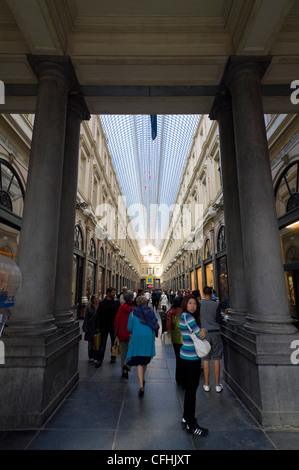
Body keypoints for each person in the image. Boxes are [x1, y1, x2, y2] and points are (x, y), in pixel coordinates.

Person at [179, 295, 208, 437]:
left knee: (189, 390)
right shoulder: (189, 318)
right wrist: (204, 331)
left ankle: (185, 417)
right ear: (185, 304)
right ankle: (192, 424)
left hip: (184, 355)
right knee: (192, 390)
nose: (193, 306)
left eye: (195, 304)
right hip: (192, 358)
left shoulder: (183, 316)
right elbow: (200, 334)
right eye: (190, 303)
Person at [126, 295, 159, 397]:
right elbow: (155, 324)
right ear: (146, 302)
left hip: (137, 337)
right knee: (144, 358)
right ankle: (143, 378)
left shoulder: (133, 313)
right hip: (148, 337)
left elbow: (129, 328)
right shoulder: (150, 312)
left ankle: (141, 385)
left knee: (139, 361)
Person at [199, 286, 224, 393]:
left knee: (206, 359)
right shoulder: (216, 304)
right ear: (212, 293)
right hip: (215, 333)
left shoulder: (199, 304)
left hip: (204, 333)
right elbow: (219, 320)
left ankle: (207, 384)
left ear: (203, 293)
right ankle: (217, 385)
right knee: (217, 358)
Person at [95, 287, 120, 368]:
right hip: (104, 326)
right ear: (108, 293)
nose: (114, 294)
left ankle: (113, 357)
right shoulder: (102, 303)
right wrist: (97, 326)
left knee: (113, 343)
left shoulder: (116, 302)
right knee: (102, 343)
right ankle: (100, 360)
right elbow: (98, 315)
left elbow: (119, 315)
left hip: (113, 326)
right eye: (113, 292)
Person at [114, 290, 135, 378]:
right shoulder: (134, 309)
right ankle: (127, 365)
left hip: (122, 332)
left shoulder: (121, 307)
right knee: (131, 351)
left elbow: (117, 319)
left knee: (123, 351)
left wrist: (115, 331)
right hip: (131, 333)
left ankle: (123, 370)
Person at [166, 296, 183, 386]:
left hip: (175, 338)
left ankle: (178, 378)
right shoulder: (184, 312)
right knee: (185, 359)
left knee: (178, 358)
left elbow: (168, 326)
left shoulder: (171, 312)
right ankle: (184, 378)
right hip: (185, 338)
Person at [82, 294, 100, 362]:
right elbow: (86, 318)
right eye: (95, 299)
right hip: (90, 327)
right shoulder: (89, 307)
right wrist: (85, 327)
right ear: (92, 300)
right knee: (90, 343)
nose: (97, 300)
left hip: (97, 327)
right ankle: (90, 356)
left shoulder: (100, 307)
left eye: (98, 298)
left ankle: (96, 357)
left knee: (96, 343)